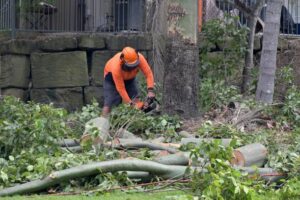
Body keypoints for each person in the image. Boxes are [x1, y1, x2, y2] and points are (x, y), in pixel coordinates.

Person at [102, 46, 155, 117]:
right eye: (130, 66)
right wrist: (130, 104)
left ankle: (137, 119)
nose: (133, 67)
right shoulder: (116, 67)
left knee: (135, 99)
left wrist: (150, 90)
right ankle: (102, 122)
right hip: (112, 79)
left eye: (135, 65)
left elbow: (148, 73)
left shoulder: (139, 57)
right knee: (109, 103)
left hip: (130, 78)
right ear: (122, 60)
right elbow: (121, 89)